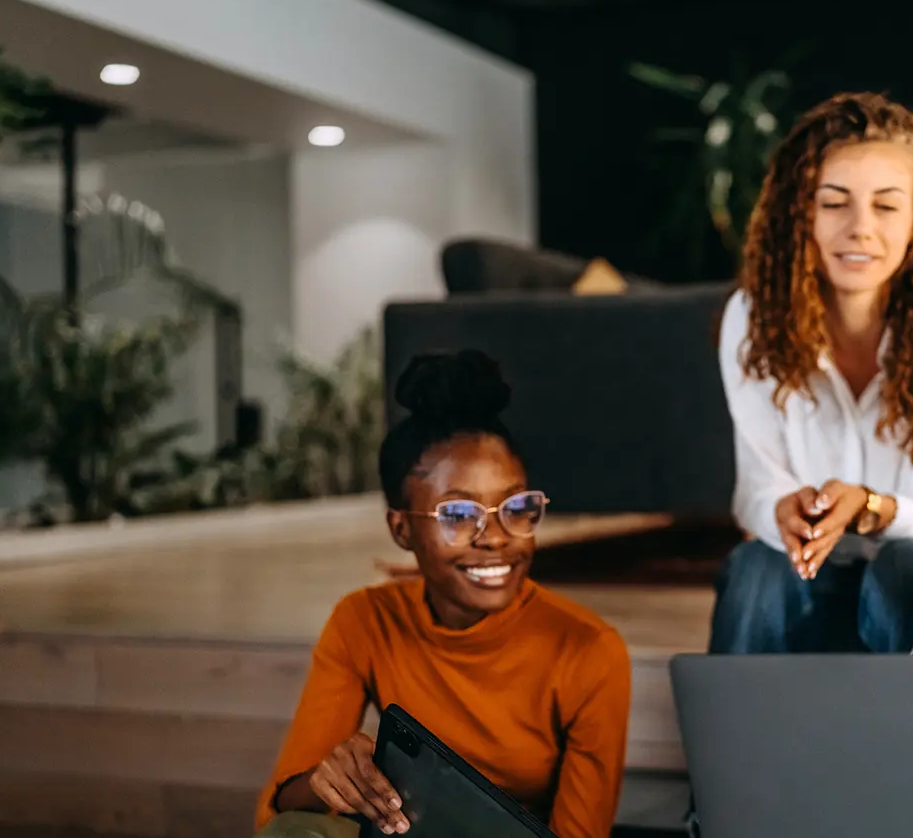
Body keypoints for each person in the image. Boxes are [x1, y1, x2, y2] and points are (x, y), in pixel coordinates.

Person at [255, 350, 631, 838]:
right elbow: (278, 809)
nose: (496, 537)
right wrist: (329, 779)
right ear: (401, 530)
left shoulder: (588, 651)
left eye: (517, 507)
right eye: (458, 515)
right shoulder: (365, 621)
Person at [710, 92, 913, 655]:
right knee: (757, 566)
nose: (859, 228)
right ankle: (747, 742)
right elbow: (757, 486)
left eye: (886, 205)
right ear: (802, 210)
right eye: (834, 203)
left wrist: (877, 510)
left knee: (904, 564)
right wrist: (782, 508)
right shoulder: (753, 318)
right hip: (812, 577)